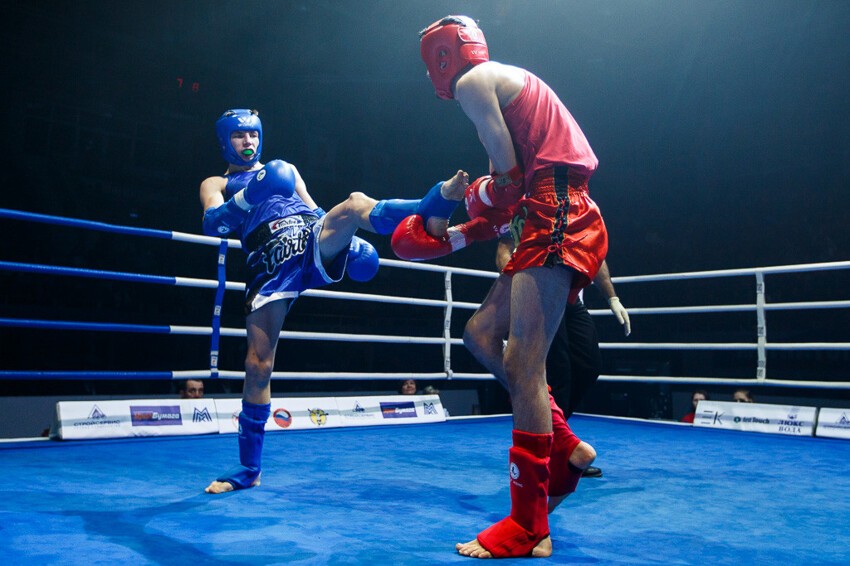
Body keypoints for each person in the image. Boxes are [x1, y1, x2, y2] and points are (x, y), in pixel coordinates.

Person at [417, 16, 610, 558]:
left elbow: (509, 180)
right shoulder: (503, 85)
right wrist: (462, 227)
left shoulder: (472, 85)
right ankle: (566, 446)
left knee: (526, 364)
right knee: (480, 333)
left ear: (441, 57)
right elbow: (508, 192)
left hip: (553, 206)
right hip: (548, 207)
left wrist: (464, 199)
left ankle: (529, 525)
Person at [200, 109, 467, 494]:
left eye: (253, 135)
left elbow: (314, 210)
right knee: (258, 365)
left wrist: (342, 236)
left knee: (355, 204)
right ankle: (249, 468)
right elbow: (213, 224)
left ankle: (430, 206)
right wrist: (250, 193)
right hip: (268, 260)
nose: (249, 142)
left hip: (308, 240)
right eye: (240, 136)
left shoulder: (286, 169)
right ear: (226, 141)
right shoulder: (216, 183)